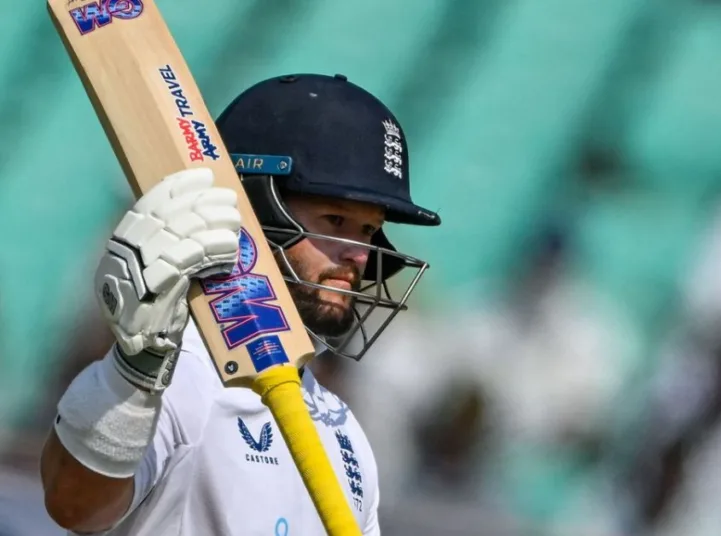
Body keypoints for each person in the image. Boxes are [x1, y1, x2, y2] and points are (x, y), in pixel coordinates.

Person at [38, 73, 440, 535]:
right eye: (336, 220)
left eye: (368, 230)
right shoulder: (179, 375)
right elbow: (74, 507)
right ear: (253, 212)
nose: (360, 255)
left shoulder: (343, 428)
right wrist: (136, 370)